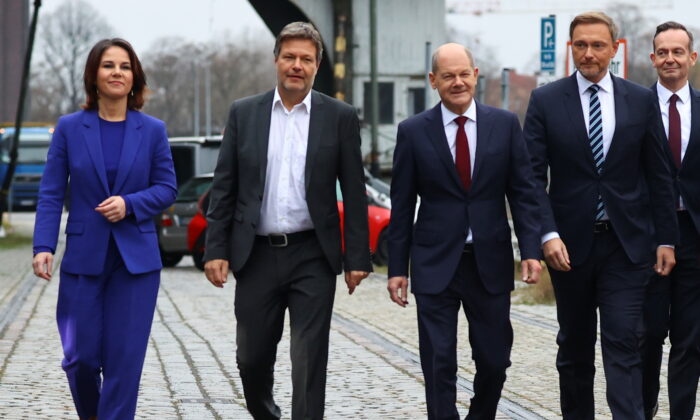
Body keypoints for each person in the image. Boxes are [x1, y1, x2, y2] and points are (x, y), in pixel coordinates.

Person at [203, 21, 371, 420]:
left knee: (309, 359)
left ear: (317, 66)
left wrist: (358, 258)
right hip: (256, 255)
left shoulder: (340, 116)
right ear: (276, 60)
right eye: (290, 57)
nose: (297, 65)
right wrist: (216, 249)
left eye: (306, 59)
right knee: (251, 357)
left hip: (313, 253)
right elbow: (224, 187)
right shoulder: (245, 113)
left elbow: (354, 188)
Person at [522, 11, 678, 419]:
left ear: (614, 49)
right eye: (580, 45)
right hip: (568, 247)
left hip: (627, 246)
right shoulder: (546, 101)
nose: (588, 54)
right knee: (574, 348)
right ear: (571, 48)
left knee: (625, 342)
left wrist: (666, 238)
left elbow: (659, 175)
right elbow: (531, 179)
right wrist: (546, 234)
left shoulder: (641, 100)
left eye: (597, 45)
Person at [387, 43, 542, 420]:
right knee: (439, 362)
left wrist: (532, 250)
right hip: (434, 263)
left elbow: (523, 192)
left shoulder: (504, 125)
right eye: (448, 76)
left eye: (463, 74)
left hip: (489, 262)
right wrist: (396, 269)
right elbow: (402, 206)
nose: (457, 82)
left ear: (475, 75)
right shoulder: (412, 132)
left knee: (494, 359)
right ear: (433, 81)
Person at [32, 38, 177, 420]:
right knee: (79, 359)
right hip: (83, 258)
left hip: (136, 264)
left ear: (135, 78)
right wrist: (42, 245)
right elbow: (50, 192)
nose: (117, 72)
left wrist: (130, 204)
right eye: (109, 65)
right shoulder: (68, 129)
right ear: (94, 75)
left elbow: (167, 188)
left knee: (123, 364)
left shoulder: (153, 130)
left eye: (125, 66)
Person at [641, 21, 700, 420]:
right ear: (652, 59)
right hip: (644, 237)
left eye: (678, 52)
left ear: (692, 58)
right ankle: (642, 411)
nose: (670, 59)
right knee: (645, 337)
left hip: (695, 236)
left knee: (690, 339)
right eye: (663, 52)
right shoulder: (632, 108)